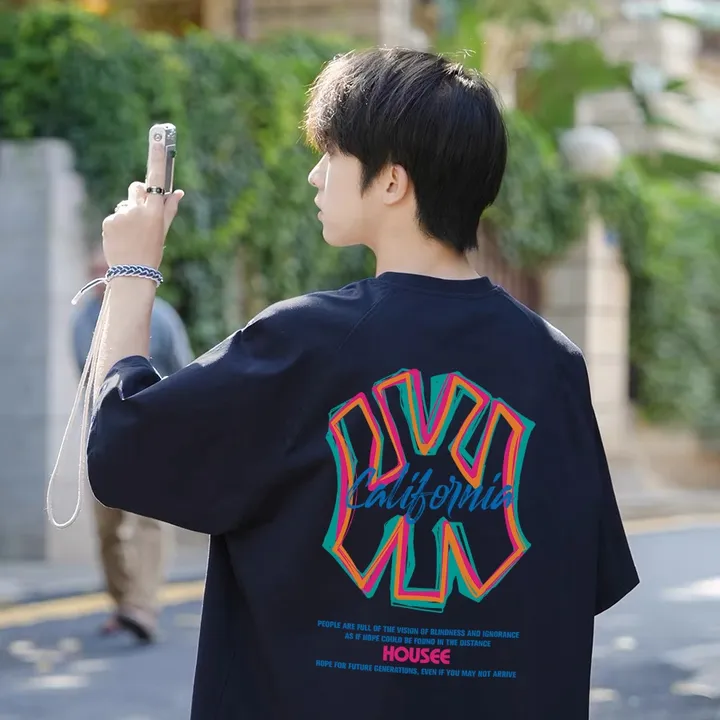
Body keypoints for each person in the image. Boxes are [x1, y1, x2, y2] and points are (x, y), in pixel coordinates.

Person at [85, 48, 639, 718]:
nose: (315, 175)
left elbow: (122, 451)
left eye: (332, 154)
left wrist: (133, 272)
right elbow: (585, 577)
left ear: (391, 182)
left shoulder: (303, 343)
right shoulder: (555, 364)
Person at [72, 245, 194, 642]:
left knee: (148, 522)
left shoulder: (161, 316)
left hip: (153, 432)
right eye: (94, 271)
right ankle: (124, 602)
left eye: (105, 270)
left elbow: (185, 371)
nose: (98, 280)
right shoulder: (83, 321)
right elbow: (85, 378)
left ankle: (143, 607)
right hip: (104, 435)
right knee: (107, 528)